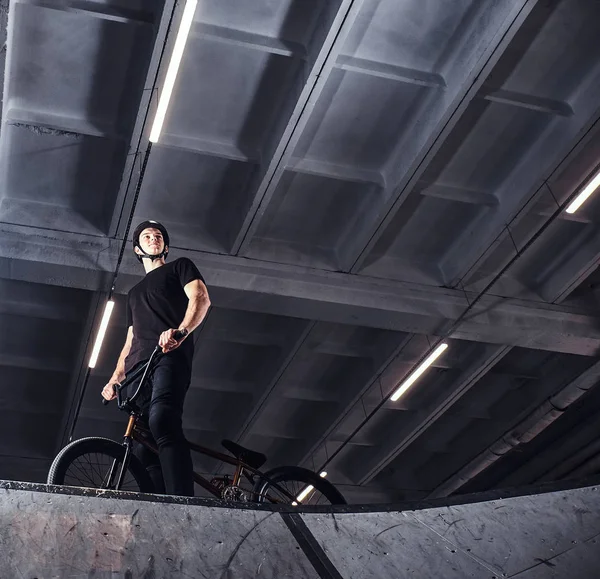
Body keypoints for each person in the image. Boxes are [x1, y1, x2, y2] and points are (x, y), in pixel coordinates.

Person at [101, 220, 211, 496]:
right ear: (137, 249)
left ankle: (184, 501)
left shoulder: (179, 267)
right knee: (143, 446)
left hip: (168, 353)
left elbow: (200, 297)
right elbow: (130, 338)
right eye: (147, 236)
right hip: (139, 368)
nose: (153, 238)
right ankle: (160, 506)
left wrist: (182, 331)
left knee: (163, 419)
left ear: (166, 246)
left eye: (158, 235)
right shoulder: (134, 293)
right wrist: (116, 377)